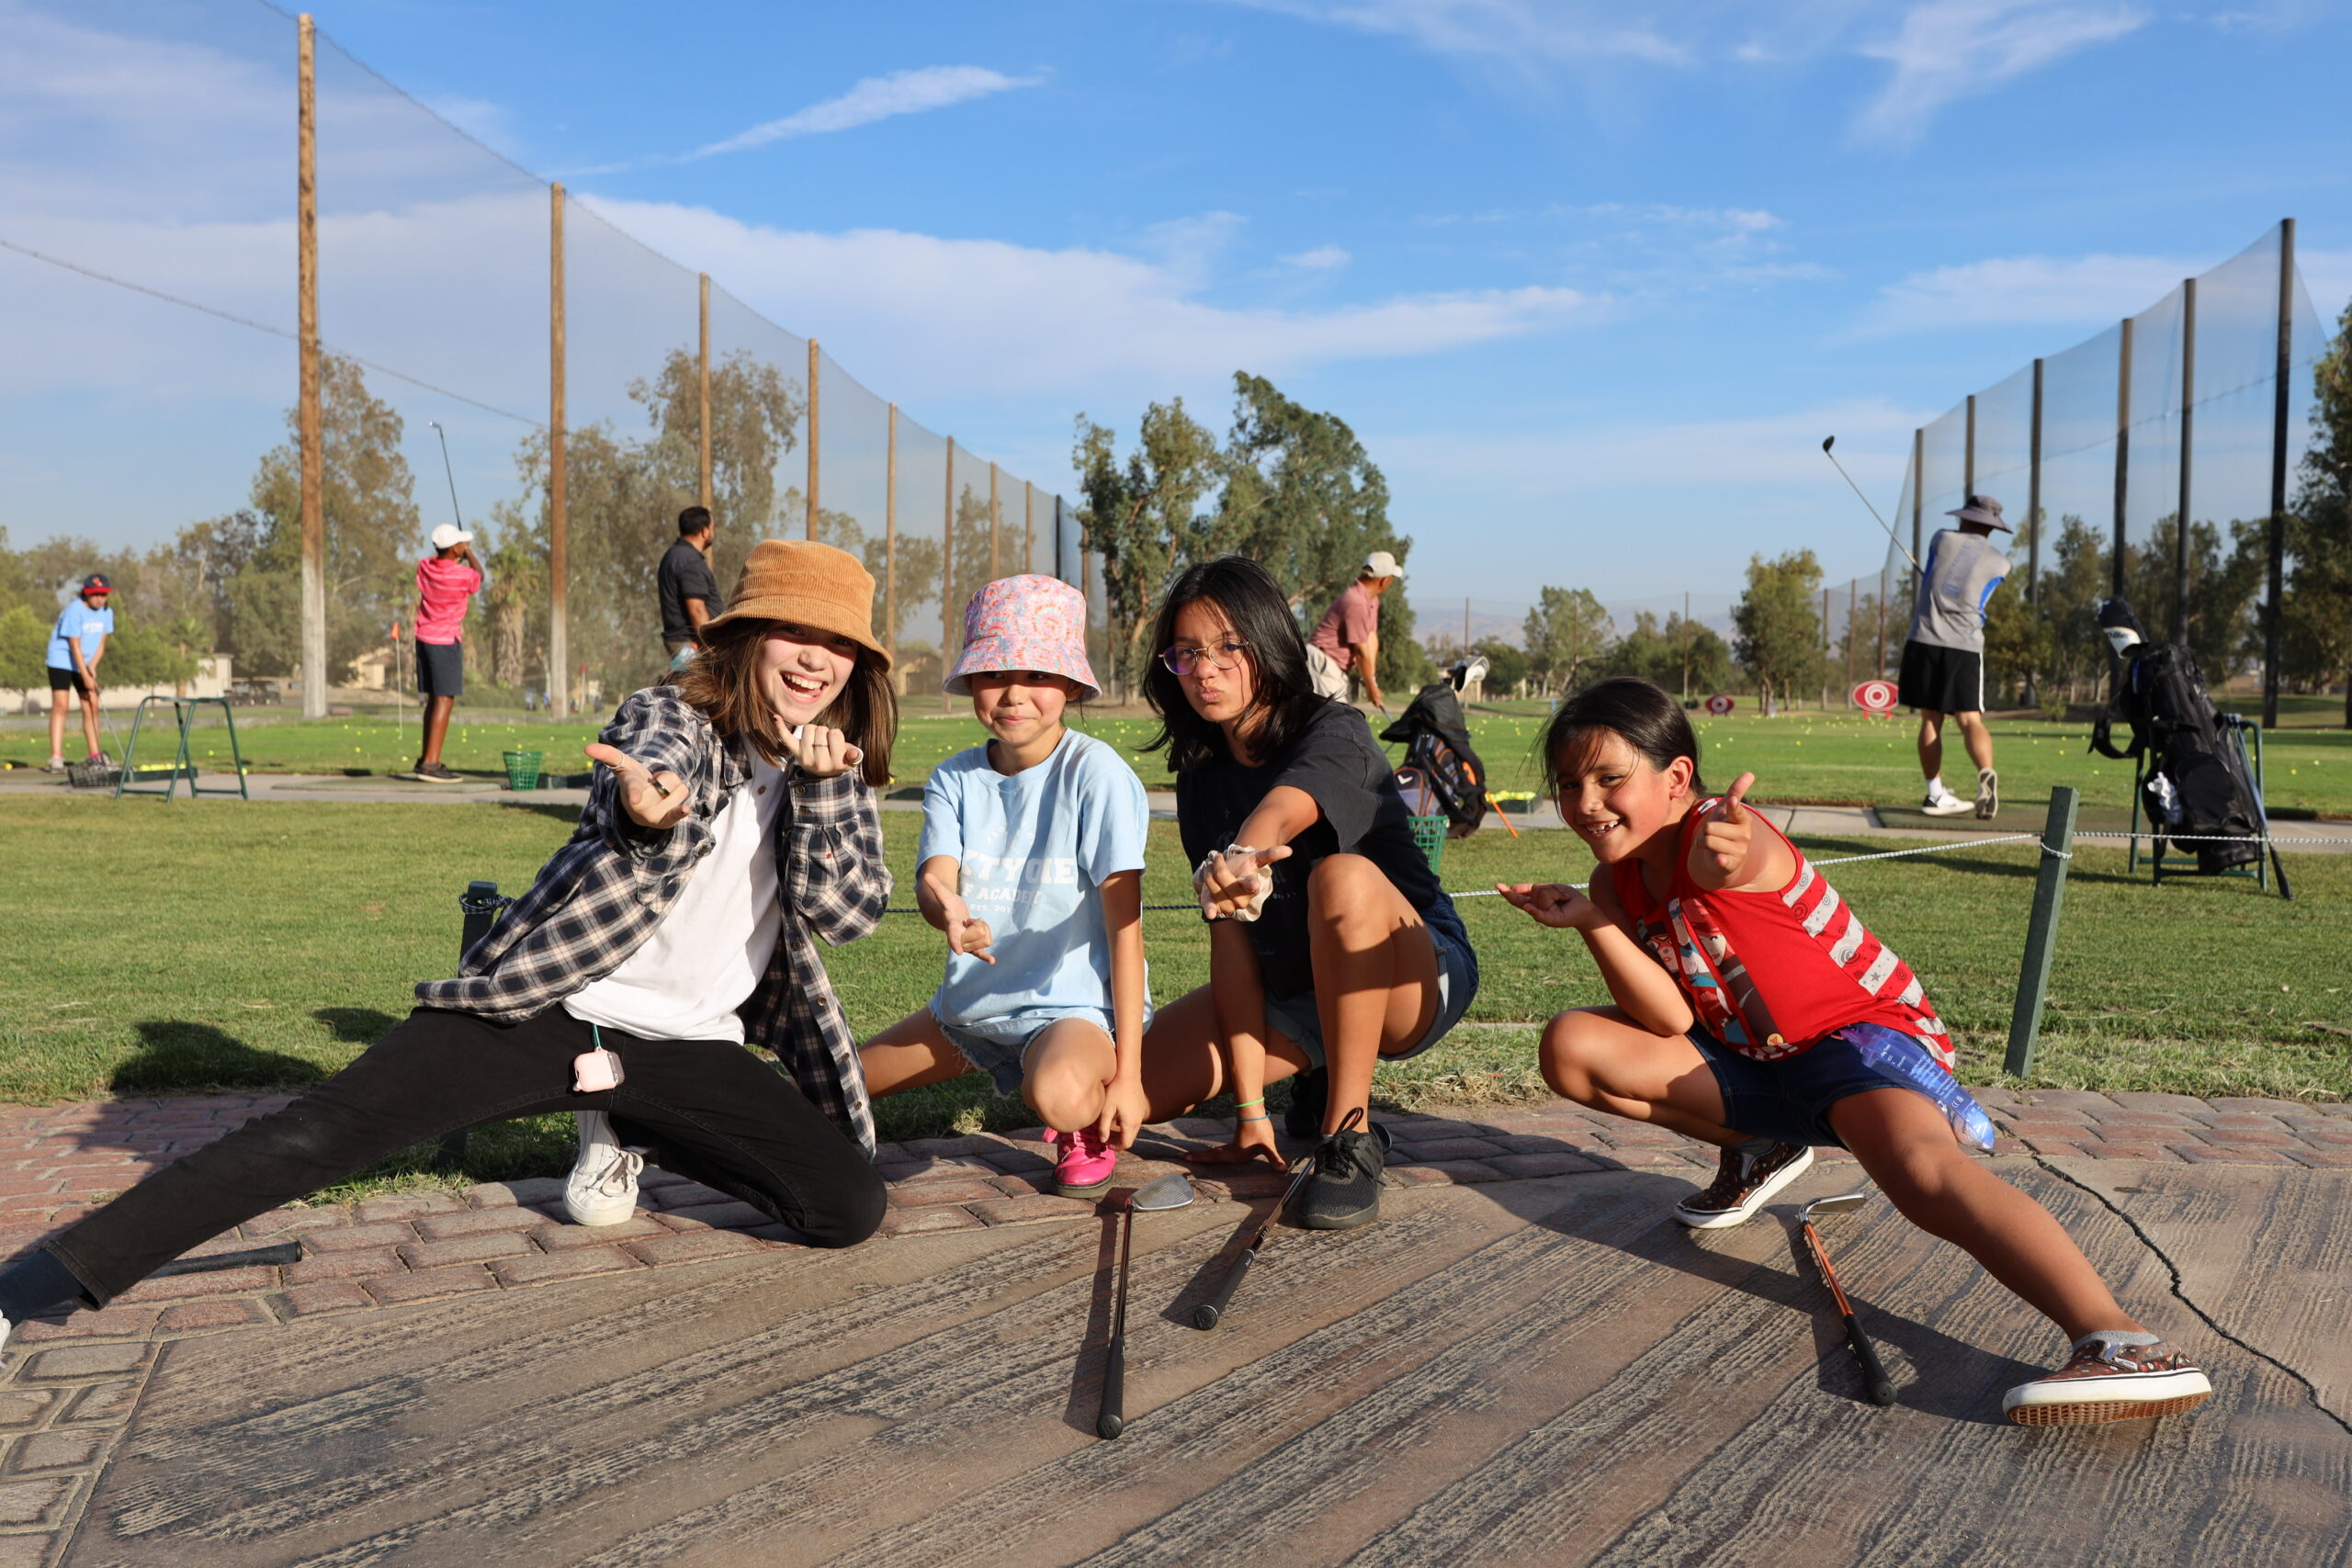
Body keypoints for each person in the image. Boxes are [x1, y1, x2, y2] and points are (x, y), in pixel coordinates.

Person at [0, 539, 897, 1349]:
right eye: (790, 632)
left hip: (690, 1044)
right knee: (317, 1135)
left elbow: (845, 914)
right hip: (549, 1008)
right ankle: (22, 1291)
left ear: (857, 664)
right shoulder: (670, 719)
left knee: (847, 1207)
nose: (816, 659)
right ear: (744, 641)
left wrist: (821, 793)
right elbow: (651, 772)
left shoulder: (835, 770)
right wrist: (647, 804)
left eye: (840, 643)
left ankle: (626, 1118)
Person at [1499, 675, 2211, 1427]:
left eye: (1611, 779)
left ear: (1677, 778)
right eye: (1570, 783)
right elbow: (1671, 1015)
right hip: (1759, 1060)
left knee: (1922, 1175)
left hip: (1859, 1041)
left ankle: (2124, 1342)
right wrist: (1592, 921)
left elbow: (1727, 858)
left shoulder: (1721, 830)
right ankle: (1762, 1146)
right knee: (1572, 1045)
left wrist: (1727, 849)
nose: (1586, 802)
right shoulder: (1613, 879)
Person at [1135, 556, 1478, 1232]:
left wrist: (1242, 853)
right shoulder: (1201, 776)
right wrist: (1248, 1114)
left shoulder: (1334, 729)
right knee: (1112, 1096)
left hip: (1415, 972)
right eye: (1188, 652)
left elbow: (1286, 809)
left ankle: (1346, 1133)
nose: (1207, 668)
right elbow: (1232, 949)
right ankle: (1312, 1074)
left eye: (1229, 646)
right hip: (1296, 990)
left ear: (1268, 643)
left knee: (1340, 876)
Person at [858, 575, 1153, 1198]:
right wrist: (948, 910)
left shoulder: (1096, 773)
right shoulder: (954, 777)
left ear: (1070, 685)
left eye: (1038, 675)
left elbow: (1127, 933)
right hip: (972, 1012)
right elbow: (935, 876)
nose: (1014, 693)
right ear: (970, 682)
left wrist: (1129, 1075)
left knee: (1056, 1091)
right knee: (833, 1083)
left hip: (1073, 1012)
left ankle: (1081, 1123)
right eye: (994, 674)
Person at [1899, 493, 2010, 819]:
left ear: (1964, 518)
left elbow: (1938, 572)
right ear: (1992, 528)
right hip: (1965, 646)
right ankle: (1985, 771)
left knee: (1931, 718)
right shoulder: (2001, 563)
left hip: (1924, 639)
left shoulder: (1941, 538)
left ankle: (1935, 794)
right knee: (1969, 719)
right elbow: (1980, 600)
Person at [410, 525, 483, 783]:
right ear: (455, 548)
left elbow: (433, 559)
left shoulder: (424, 567)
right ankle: (430, 764)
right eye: (461, 543)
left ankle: (426, 758)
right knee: (444, 700)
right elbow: (479, 577)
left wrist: (456, 550)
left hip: (424, 639)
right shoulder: (462, 575)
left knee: (433, 700)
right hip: (445, 642)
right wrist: (470, 554)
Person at [1306, 550, 1404, 715]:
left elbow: (1371, 639)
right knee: (1335, 722)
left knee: (1344, 720)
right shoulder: (1356, 602)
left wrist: (1371, 680)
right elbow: (1361, 650)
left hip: (1333, 667)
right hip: (1323, 663)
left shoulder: (1371, 600)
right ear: (1385, 580)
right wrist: (1371, 687)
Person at [43, 573, 112, 773]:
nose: (99, 598)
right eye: (94, 594)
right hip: (62, 660)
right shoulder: (75, 611)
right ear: (86, 593)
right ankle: (56, 757)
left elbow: (101, 645)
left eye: (103, 594)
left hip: (85, 661)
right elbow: (74, 645)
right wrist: (85, 674)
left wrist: (92, 668)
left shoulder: (107, 613)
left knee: (92, 705)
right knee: (61, 706)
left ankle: (95, 757)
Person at [660, 505, 721, 668]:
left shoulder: (673, 555)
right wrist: (711, 649)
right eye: (712, 527)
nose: (713, 532)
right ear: (704, 531)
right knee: (698, 692)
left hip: (685, 645)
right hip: (693, 647)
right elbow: (697, 610)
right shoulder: (690, 561)